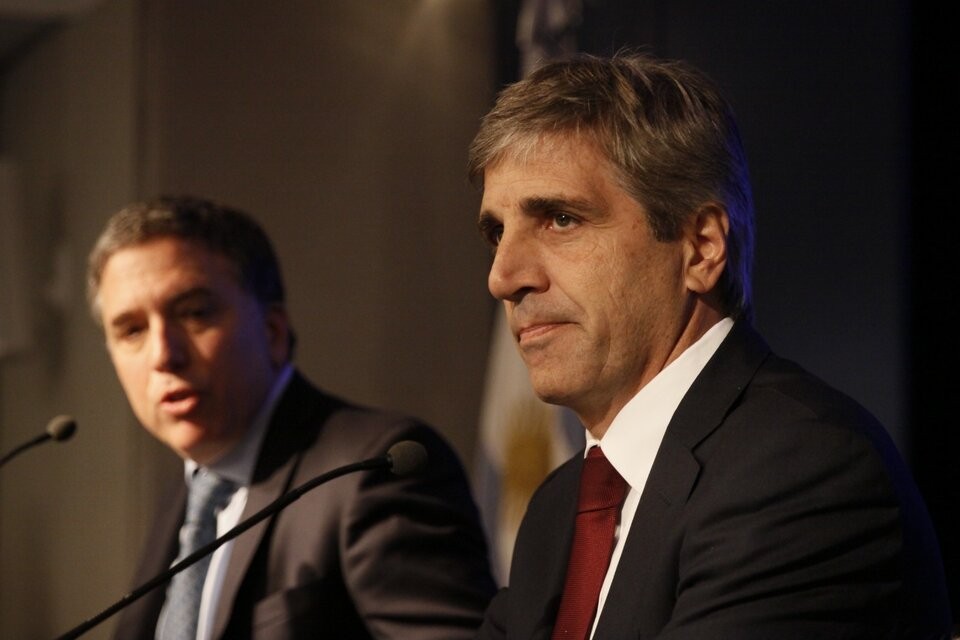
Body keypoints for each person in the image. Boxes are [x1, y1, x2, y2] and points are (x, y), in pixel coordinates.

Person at [468, 52, 952, 639]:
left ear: (701, 248)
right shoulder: (559, 507)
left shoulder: (800, 471)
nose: (503, 277)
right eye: (497, 232)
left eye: (561, 219)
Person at [85, 196, 496, 639]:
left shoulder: (372, 471)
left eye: (194, 313)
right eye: (132, 330)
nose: (163, 354)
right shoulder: (186, 498)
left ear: (273, 332)